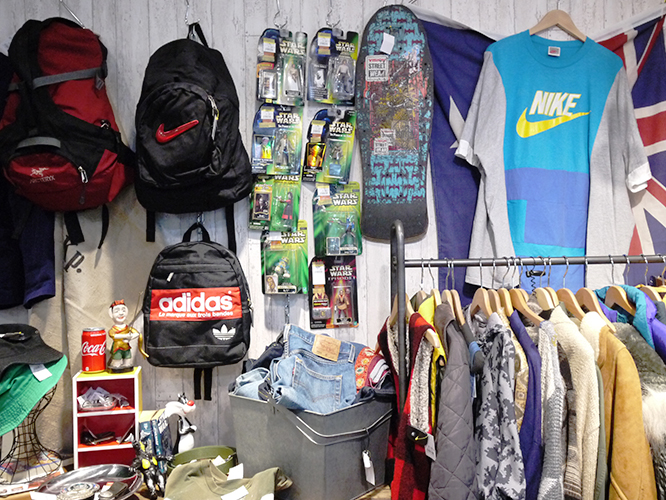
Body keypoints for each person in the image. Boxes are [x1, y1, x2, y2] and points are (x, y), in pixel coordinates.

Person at [108, 299, 139, 372]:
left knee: (127, 362)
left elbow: (137, 333)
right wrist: (126, 336)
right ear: (111, 314)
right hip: (117, 348)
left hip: (127, 348)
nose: (121, 313)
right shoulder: (114, 328)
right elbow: (113, 335)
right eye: (117, 311)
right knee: (117, 363)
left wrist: (130, 338)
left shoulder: (127, 328)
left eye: (123, 310)